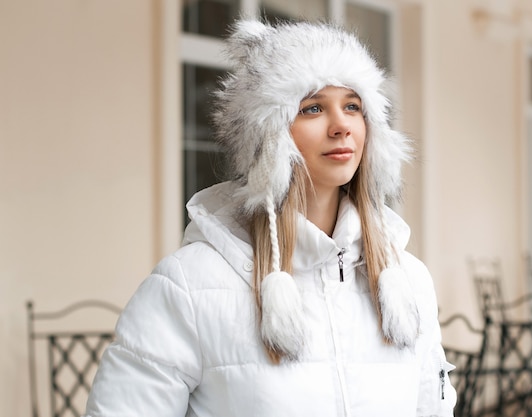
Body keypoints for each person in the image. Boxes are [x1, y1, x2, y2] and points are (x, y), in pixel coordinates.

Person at [84, 18, 456, 417]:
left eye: (352, 106)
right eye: (312, 108)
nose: (341, 126)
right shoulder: (189, 286)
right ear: (269, 137)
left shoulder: (409, 282)